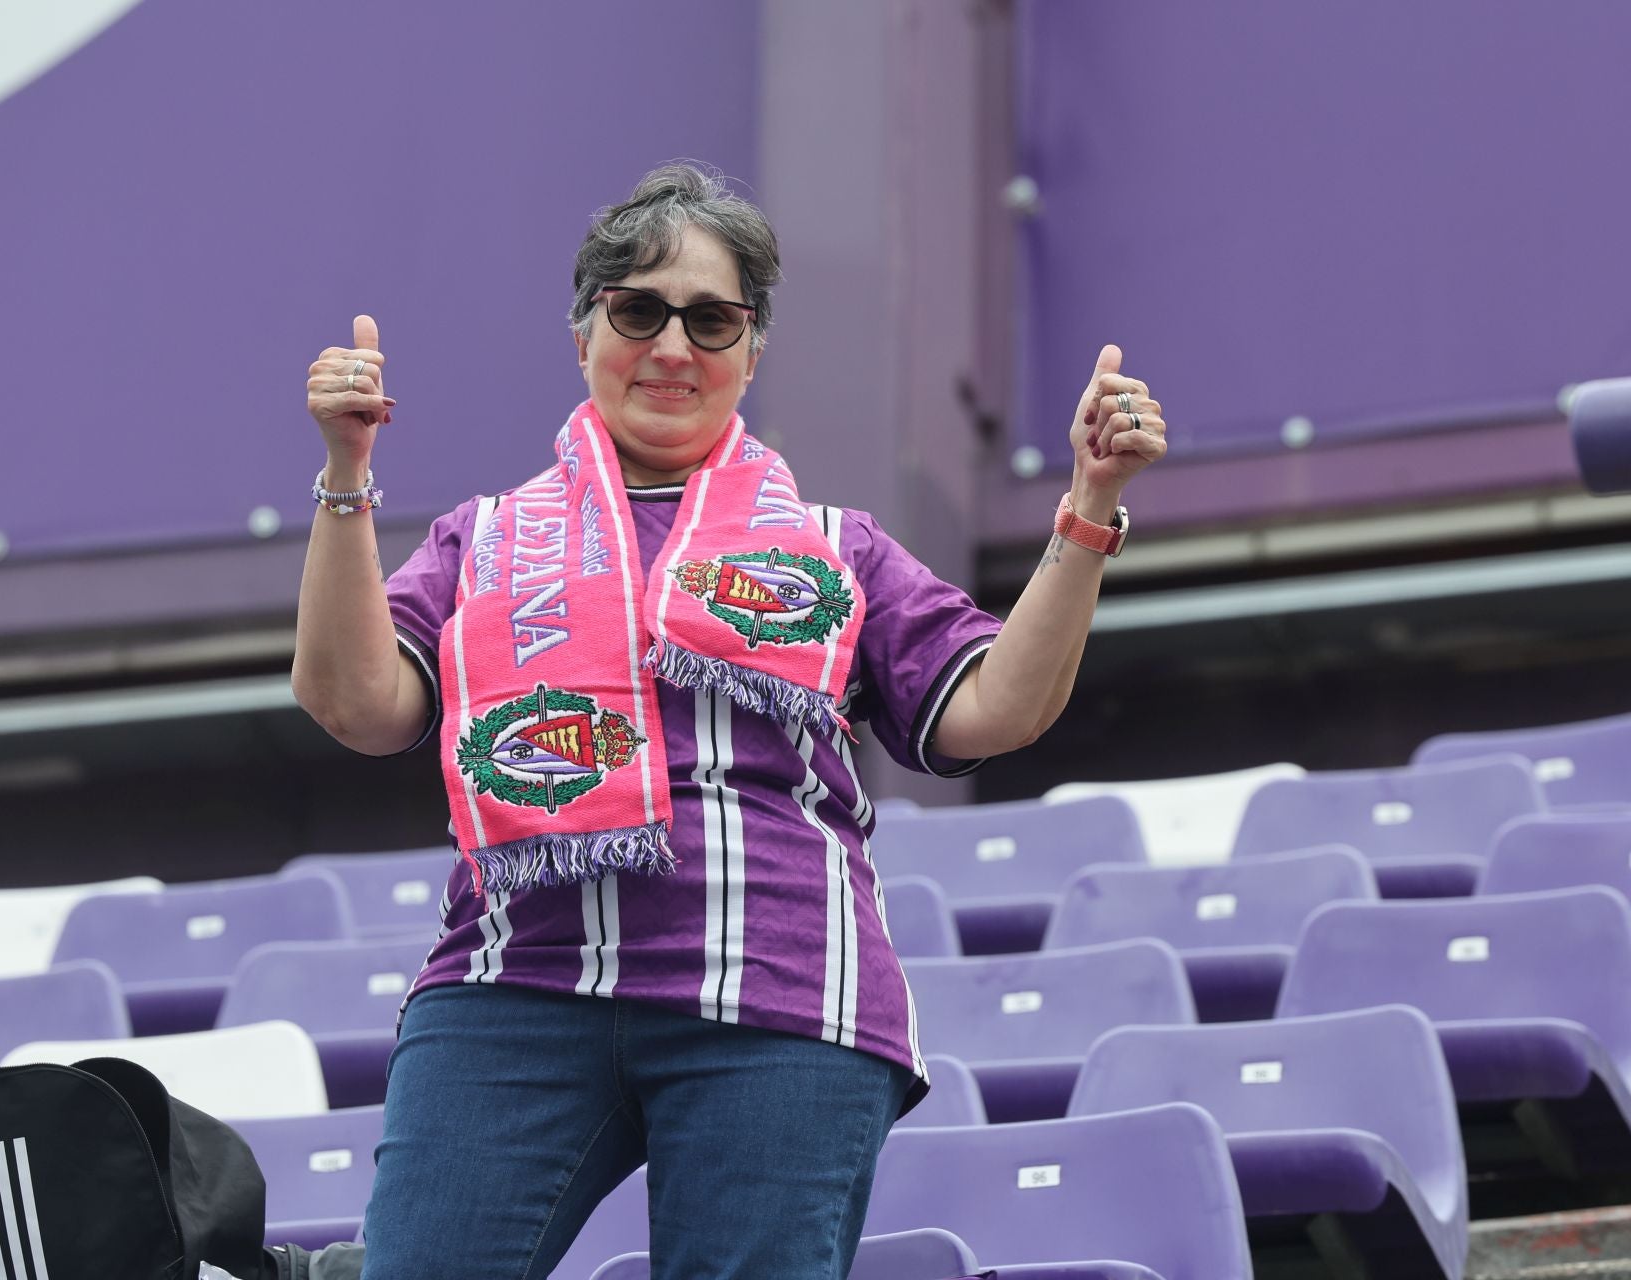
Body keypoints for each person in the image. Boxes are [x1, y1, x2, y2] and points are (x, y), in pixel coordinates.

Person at [289, 162, 1168, 1280]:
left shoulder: (832, 541)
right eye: (638, 309)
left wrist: (1090, 509)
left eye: (712, 319)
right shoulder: (485, 537)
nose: (671, 345)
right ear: (583, 333)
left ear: (750, 353)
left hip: (776, 988)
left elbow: (994, 705)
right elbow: (354, 702)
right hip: (514, 988)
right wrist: (346, 470)